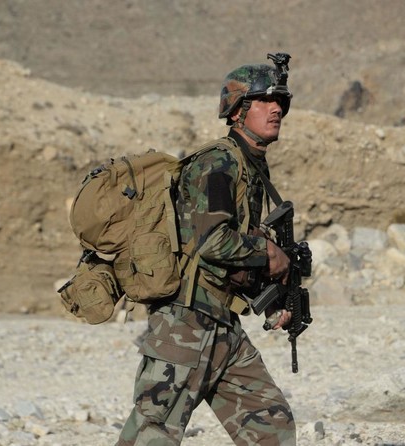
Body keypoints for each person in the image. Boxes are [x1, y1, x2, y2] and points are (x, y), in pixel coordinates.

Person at [117, 54, 297, 446]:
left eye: (280, 102)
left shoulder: (251, 168)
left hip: (222, 325)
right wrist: (269, 254)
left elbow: (233, 253)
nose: (276, 109)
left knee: (272, 426)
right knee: (153, 434)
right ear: (237, 111)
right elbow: (213, 240)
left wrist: (270, 297)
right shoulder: (217, 164)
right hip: (185, 325)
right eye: (264, 100)